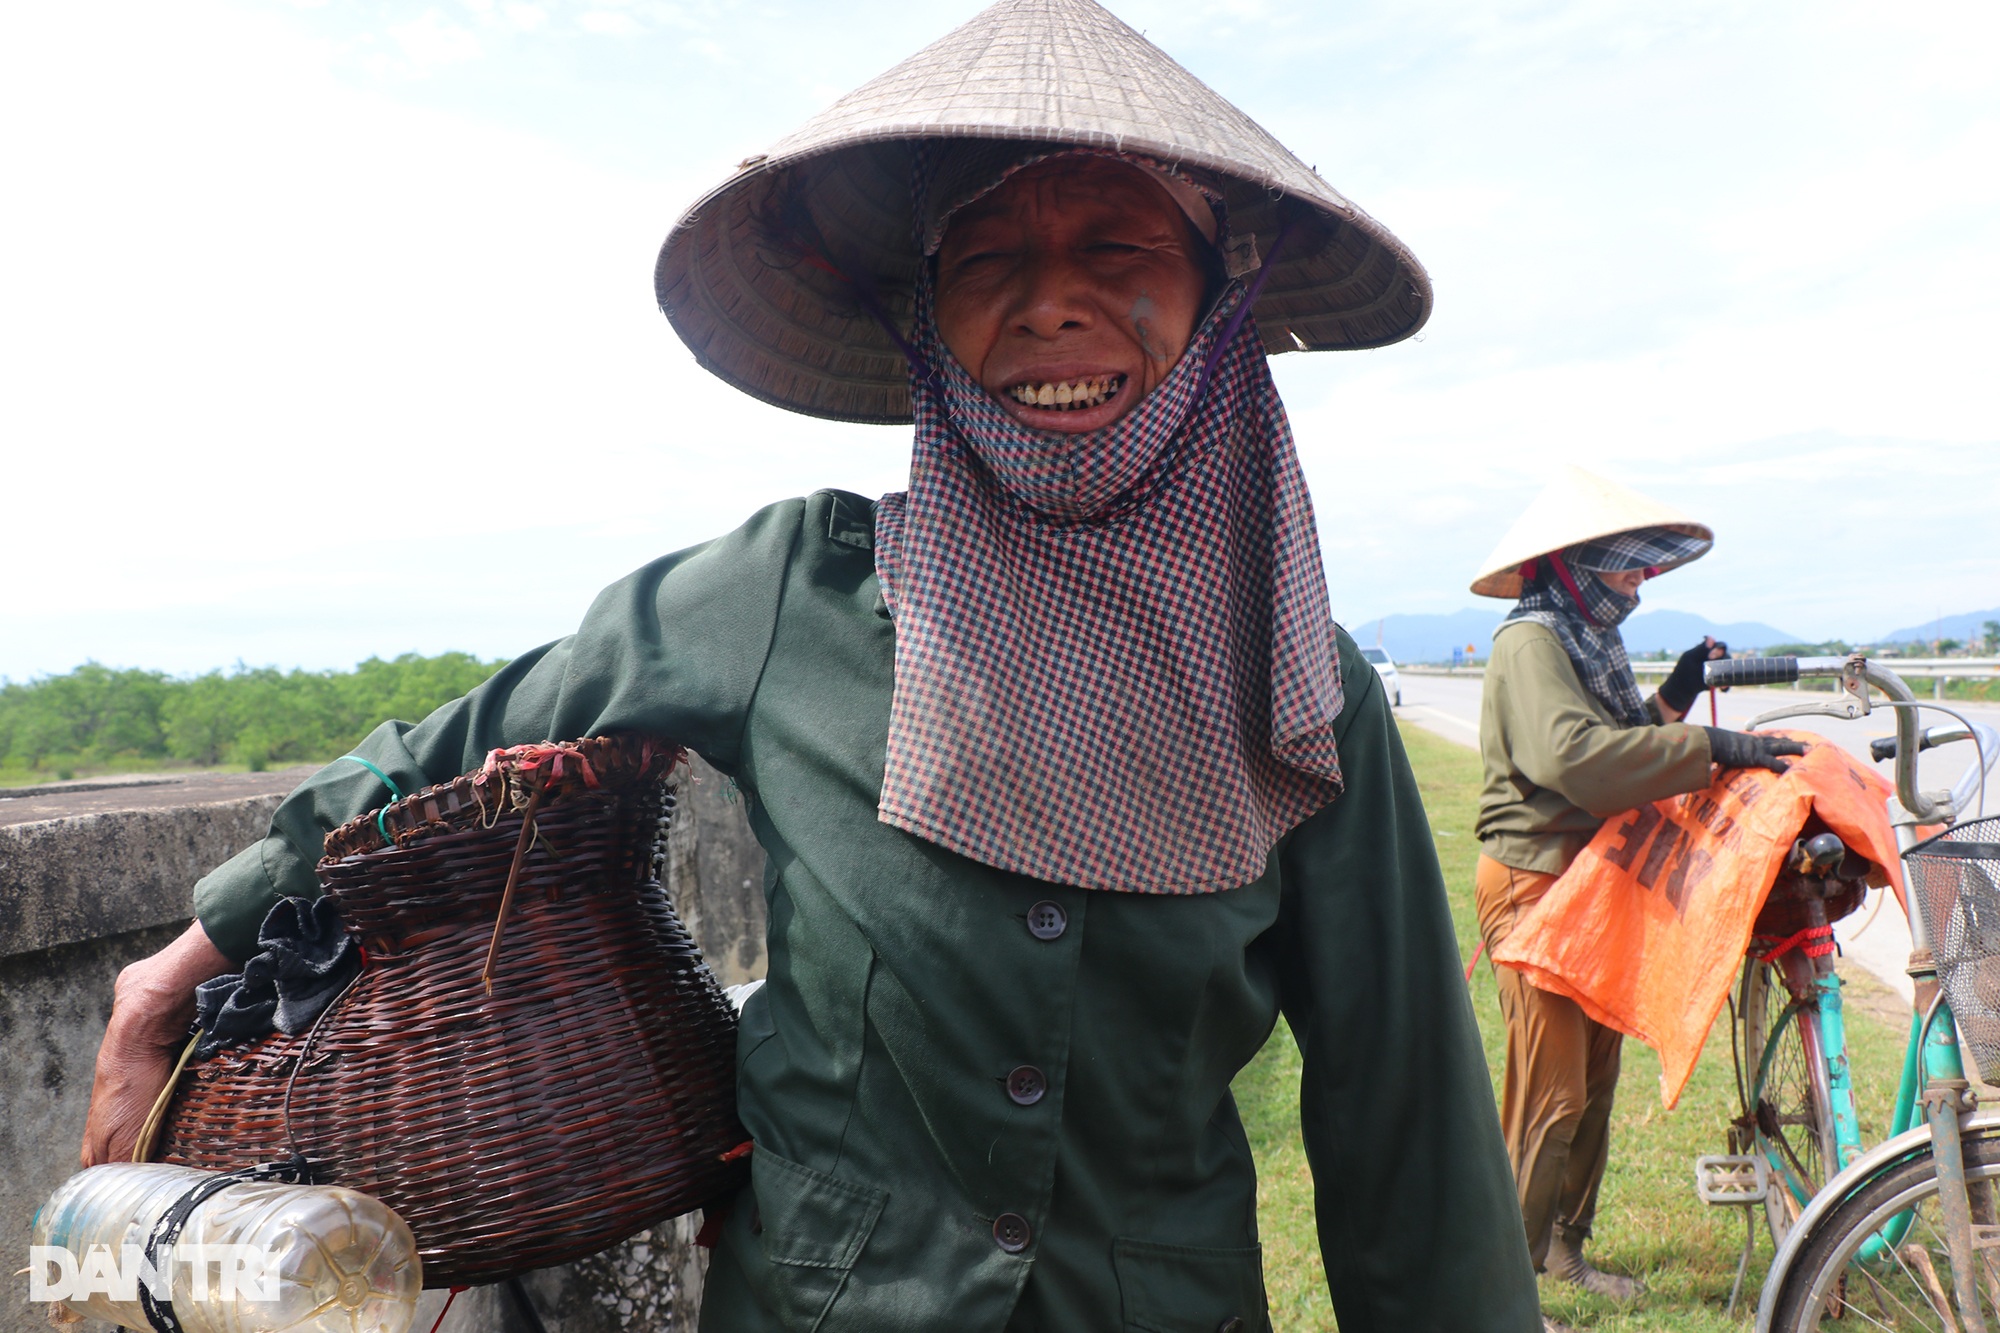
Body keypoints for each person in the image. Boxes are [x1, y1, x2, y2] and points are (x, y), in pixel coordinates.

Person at [83, 1, 1543, 1327]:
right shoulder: (795, 589)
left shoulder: (1299, 690)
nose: (1049, 305)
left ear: (1219, 297)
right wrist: (166, 979)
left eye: (1117, 248)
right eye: (988, 260)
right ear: (927, 319)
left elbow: (1402, 1121)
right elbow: (438, 758)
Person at [1469, 465, 1804, 1305]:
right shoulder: (1531, 640)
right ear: (1579, 563)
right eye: (1627, 568)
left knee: (1596, 1081)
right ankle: (1506, 1286)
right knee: (1552, 1091)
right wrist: (1712, 750)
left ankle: (1562, 1250)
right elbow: (1574, 761)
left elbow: (1620, 740)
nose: (1639, 587)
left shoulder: (1588, 638)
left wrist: (1681, 691)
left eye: (1643, 571)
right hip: (1536, 885)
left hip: (1593, 882)